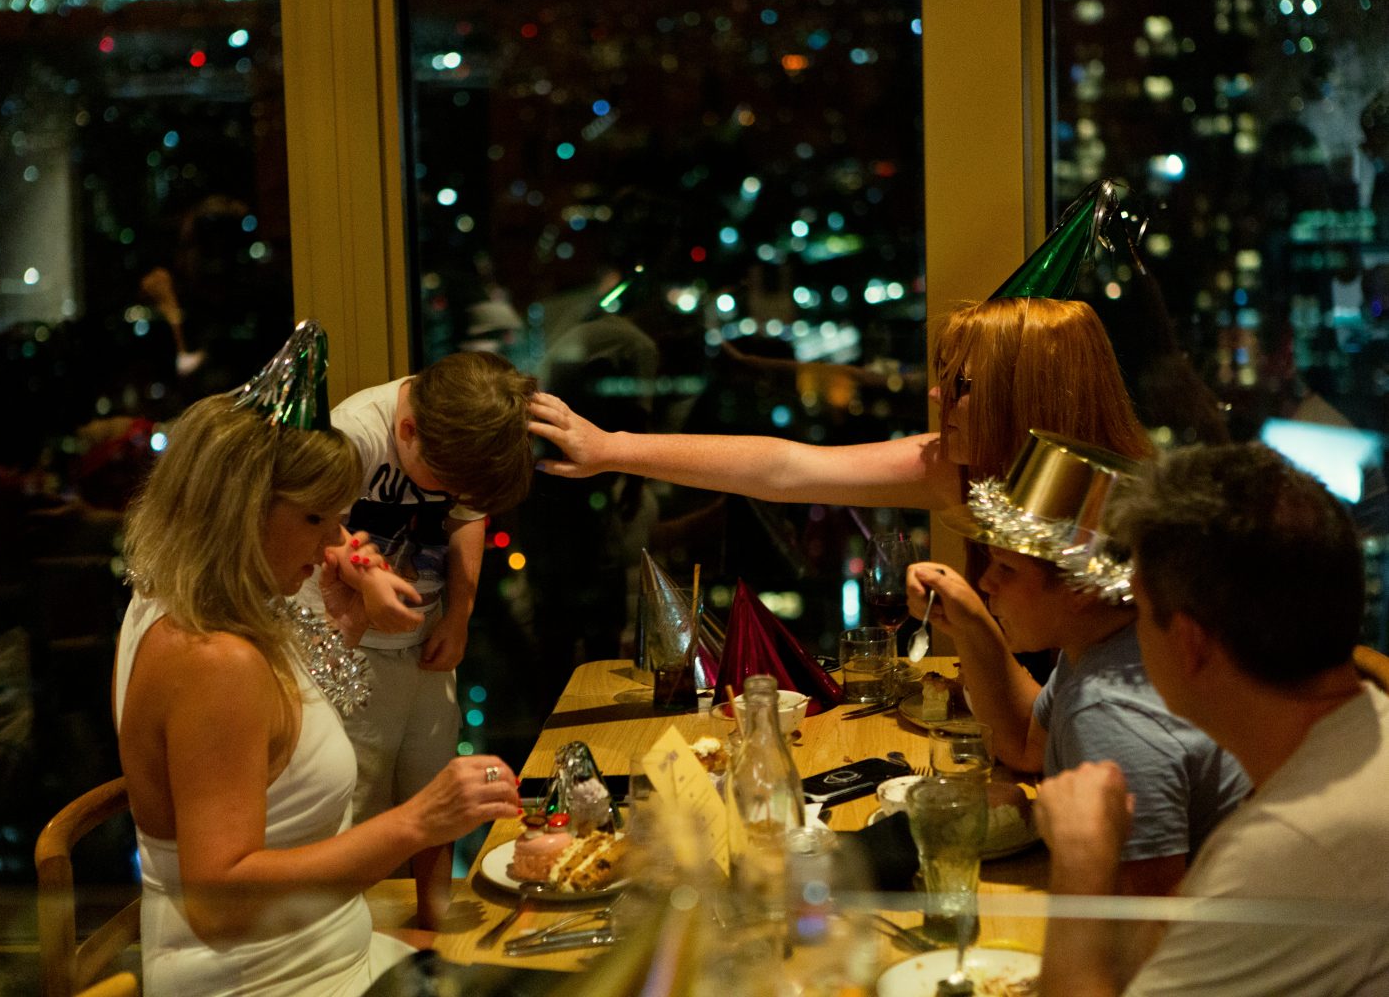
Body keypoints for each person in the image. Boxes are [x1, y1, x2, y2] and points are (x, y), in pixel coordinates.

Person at [116, 328, 522, 995]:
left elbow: (276, 746)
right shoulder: (209, 658)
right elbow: (221, 903)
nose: (339, 544)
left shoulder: (229, 615)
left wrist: (343, 628)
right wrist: (418, 821)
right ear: (241, 510)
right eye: (316, 520)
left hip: (334, 955)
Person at [1035, 442, 1389, 995]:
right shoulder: (1360, 733)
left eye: (1140, 613)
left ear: (1190, 644)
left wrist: (1082, 860)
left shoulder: (1290, 849)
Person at [906, 432, 1248, 897]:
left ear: (1081, 588)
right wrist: (970, 624)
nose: (985, 582)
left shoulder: (1109, 712)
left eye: (1007, 569)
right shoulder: (1111, 642)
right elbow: (1027, 746)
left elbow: (1144, 919)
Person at [294, 349, 536, 929]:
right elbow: (313, 525)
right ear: (407, 431)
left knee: (434, 782)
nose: (452, 495)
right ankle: (353, 933)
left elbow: (468, 518)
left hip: (423, 646)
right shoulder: (354, 434)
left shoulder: (463, 437)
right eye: (444, 485)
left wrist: (459, 615)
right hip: (345, 649)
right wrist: (365, 577)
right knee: (356, 797)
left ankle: (433, 921)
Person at [529, 296, 1153, 512]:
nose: (936, 396)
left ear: (1027, 399)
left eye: (963, 385)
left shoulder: (1117, 515)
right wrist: (610, 449)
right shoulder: (968, 467)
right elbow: (787, 469)